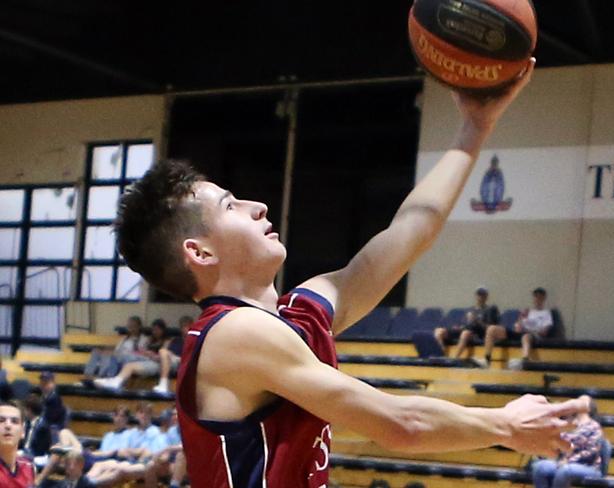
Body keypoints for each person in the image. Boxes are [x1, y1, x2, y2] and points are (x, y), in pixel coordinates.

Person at [115, 59, 589, 488]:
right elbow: (399, 425)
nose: (257, 206)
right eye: (230, 205)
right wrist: (506, 425)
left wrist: (475, 126)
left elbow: (412, 230)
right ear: (199, 253)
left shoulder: (296, 315)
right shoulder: (232, 334)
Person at [532, 395, 604, 488]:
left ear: (590, 408)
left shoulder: (594, 426)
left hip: (588, 466)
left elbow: (591, 451)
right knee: (541, 467)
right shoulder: (568, 424)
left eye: (582, 402)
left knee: (564, 470)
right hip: (563, 462)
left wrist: (569, 461)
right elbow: (559, 444)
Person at [484, 287, 554, 369]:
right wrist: (521, 317)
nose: (537, 299)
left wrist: (528, 330)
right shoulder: (528, 311)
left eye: (539, 297)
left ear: (543, 298)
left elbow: (544, 332)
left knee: (526, 337)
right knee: (491, 329)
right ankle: (487, 359)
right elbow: (517, 327)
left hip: (532, 335)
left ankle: (525, 360)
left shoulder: (546, 313)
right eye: (535, 296)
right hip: (519, 333)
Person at [94, 319, 168, 391]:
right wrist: (143, 352)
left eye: (158, 329)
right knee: (114, 356)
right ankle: (109, 379)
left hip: (153, 361)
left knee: (124, 358)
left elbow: (163, 356)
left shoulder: (166, 341)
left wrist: (150, 354)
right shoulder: (150, 340)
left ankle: (113, 380)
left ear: (163, 330)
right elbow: (141, 350)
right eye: (153, 330)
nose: (155, 332)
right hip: (143, 358)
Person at [433, 286, 500, 361]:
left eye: (483, 295)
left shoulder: (489, 310)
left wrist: (476, 320)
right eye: (479, 295)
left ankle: (455, 358)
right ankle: (443, 354)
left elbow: (489, 328)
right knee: (438, 331)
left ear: (486, 297)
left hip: (476, 332)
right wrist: (458, 327)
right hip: (464, 329)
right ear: (476, 296)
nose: (480, 297)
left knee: (465, 333)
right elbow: (464, 323)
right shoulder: (470, 309)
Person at [82, 316, 148, 381]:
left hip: (127, 361)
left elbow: (139, 354)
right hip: (118, 357)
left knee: (111, 356)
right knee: (96, 351)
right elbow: (117, 350)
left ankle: (103, 377)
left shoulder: (144, 339)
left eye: (133, 326)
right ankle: (88, 375)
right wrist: (105, 350)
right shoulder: (125, 339)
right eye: (129, 327)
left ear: (139, 327)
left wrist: (116, 353)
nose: (130, 329)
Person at [0, 401, 35, 487]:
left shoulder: (29, 467)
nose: (8, 425)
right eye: (1, 420)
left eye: (14, 421)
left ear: (23, 431)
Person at [153, 316, 192, 394]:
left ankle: (163, 384)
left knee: (163, 352)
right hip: (170, 361)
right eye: (182, 326)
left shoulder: (194, 341)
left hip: (183, 363)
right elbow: (164, 352)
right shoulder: (175, 340)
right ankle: (163, 384)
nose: (184, 329)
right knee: (163, 351)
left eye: (187, 326)